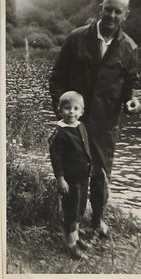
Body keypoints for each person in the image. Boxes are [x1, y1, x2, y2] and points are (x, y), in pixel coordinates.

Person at [49, 0, 141, 237]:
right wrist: (62, 109)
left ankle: (98, 219)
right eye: (108, 9)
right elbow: (56, 78)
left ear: (125, 15)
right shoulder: (76, 38)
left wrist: (132, 101)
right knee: (74, 176)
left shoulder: (130, 48)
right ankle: (72, 225)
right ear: (100, 8)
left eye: (117, 11)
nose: (111, 15)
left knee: (101, 175)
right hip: (73, 123)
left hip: (105, 124)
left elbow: (132, 85)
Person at [49, 91, 91, 260]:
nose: (71, 112)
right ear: (60, 110)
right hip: (69, 179)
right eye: (67, 108)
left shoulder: (80, 126)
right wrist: (60, 178)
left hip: (82, 176)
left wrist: (90, 168)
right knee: (70, 209)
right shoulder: (60, 133)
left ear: (81, 111)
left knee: (80, 207)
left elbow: (85, 149)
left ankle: (76, 237)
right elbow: (56, 158)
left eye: (75, 108)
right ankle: (69, 244)